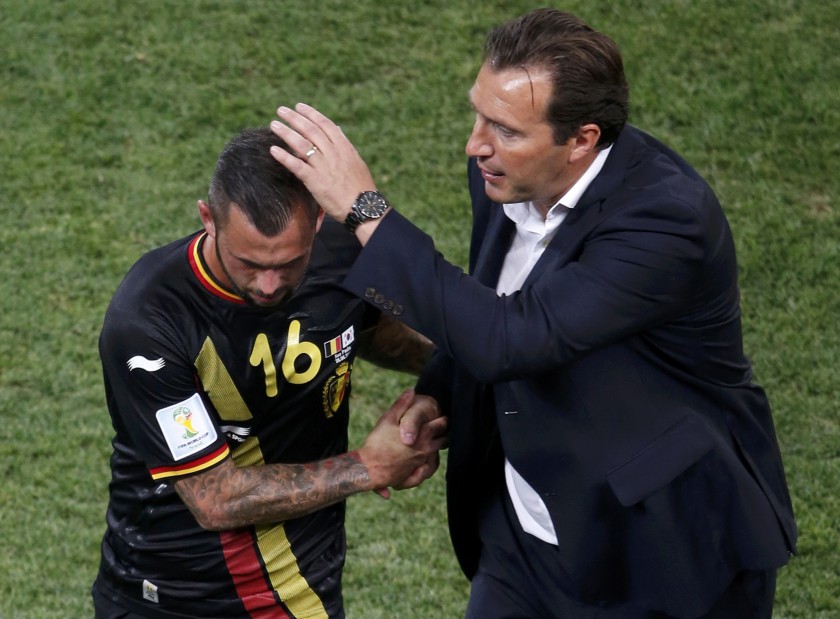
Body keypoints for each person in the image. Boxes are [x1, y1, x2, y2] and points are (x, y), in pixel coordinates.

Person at [267, 8, 797, 619]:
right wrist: (437, 395)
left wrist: (365, 212)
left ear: (582, 140)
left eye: (506, 129)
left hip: (657, 552)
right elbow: (491, 301)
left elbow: (511, 337)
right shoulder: (504, 173)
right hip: (523, 537)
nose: (475, 145)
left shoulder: (665, 221)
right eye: (479, 114)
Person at [91, 127, 447, 619]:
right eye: (250, 263)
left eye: (289, 264)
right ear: (207, 219)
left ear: (319, 222)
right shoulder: (151, 321)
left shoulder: (340, 254)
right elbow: (214, 498)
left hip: (301, 589)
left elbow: (377, 333)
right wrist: (370, 465)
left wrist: (456, 376)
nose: (269, 285)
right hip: (174, 597)